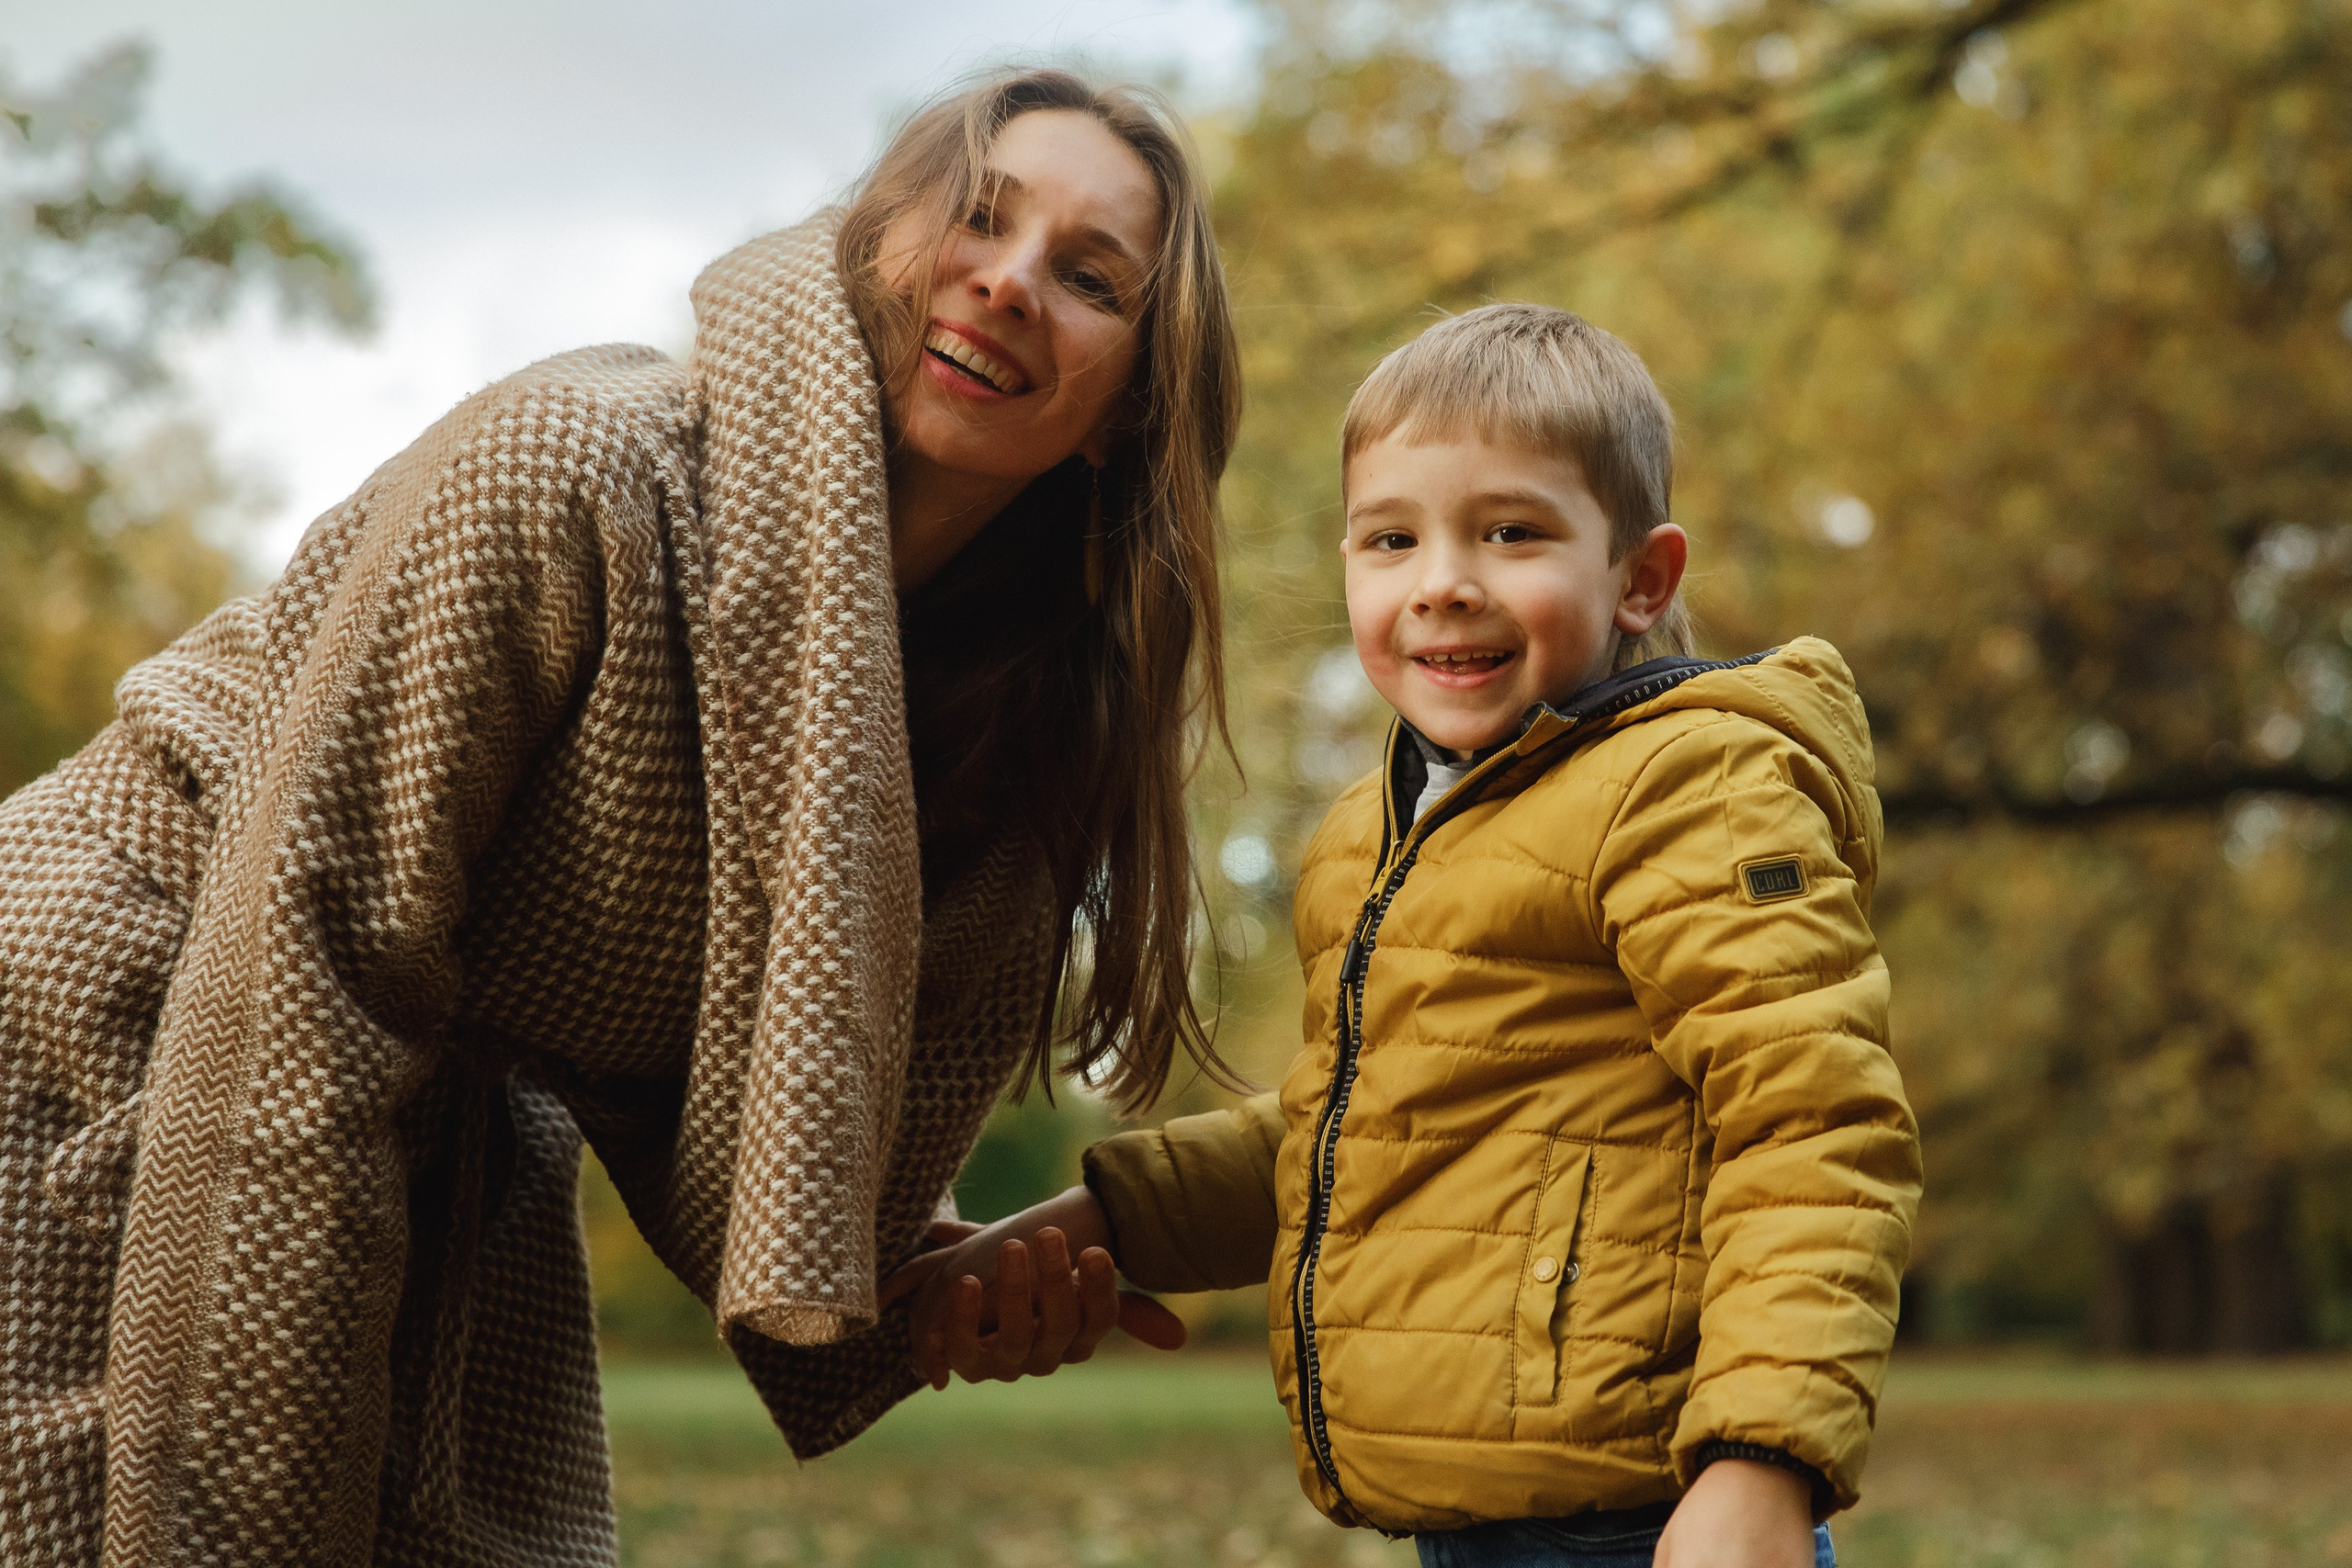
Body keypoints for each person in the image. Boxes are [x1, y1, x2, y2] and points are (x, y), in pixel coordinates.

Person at [0, 67, 1237, 1566]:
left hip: (442, 1103)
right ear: (875, 239)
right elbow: (305, 983)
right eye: (977, 218)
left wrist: (921, 1278)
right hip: (117, 1004)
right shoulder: (570, 467)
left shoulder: (1006, 761)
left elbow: (757, 1130)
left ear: (1126, 412)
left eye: (1089, 278)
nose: (1009, 281)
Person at [895, 304, 1923, 1568]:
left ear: (1642, 576)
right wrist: (1071, 1233)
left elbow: (1813, 1123)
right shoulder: (1377, 834)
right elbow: (1353, 1130)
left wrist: (1762, 1463)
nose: (1443, 578)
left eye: (1511, 531)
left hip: (1648, 1522)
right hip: (1476, 1525)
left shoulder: (1688, 790)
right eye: (1393, 537)